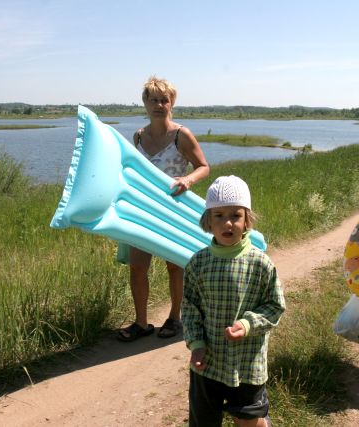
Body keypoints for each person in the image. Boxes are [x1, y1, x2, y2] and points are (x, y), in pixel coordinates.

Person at [182, 176, 285, 427]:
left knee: (248, 420)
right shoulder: (198, 263)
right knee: (204, 421)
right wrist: (196, 343)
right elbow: (189, 308)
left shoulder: (260, 263)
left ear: (247, 219)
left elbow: (275, 306)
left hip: (247, 361)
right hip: (208, 362)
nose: (227, 223)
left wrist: (248, 324)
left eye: (236, 215)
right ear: (208, 220)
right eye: (218, 215)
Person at [117, 76, 210, 342]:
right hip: (143, 211)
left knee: (174, 267)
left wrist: (188, 180)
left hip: (173, 210)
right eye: (153, 99)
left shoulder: (181, 135)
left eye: (164, 100)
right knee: (137, 268)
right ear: (145, 103)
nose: (159, 104)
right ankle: (141, 323)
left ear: (172, 104)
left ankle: (174, 318)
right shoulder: (137, 136)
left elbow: (203, 166)